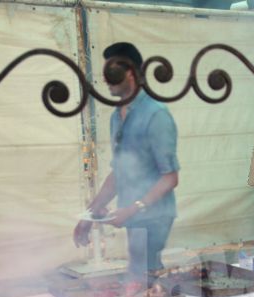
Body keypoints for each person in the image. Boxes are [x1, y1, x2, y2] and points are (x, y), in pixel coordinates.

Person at [73, 41, 180, 277]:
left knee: (145, 274)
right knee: (138, 274)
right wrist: (89, 215)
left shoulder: (156, 115)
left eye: (113, 72)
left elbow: (170, 178)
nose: (107, 80)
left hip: (155, 215)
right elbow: (118, 174)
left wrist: (133, 209)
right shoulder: (116, 117)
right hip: (134, 214)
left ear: (130, 73)